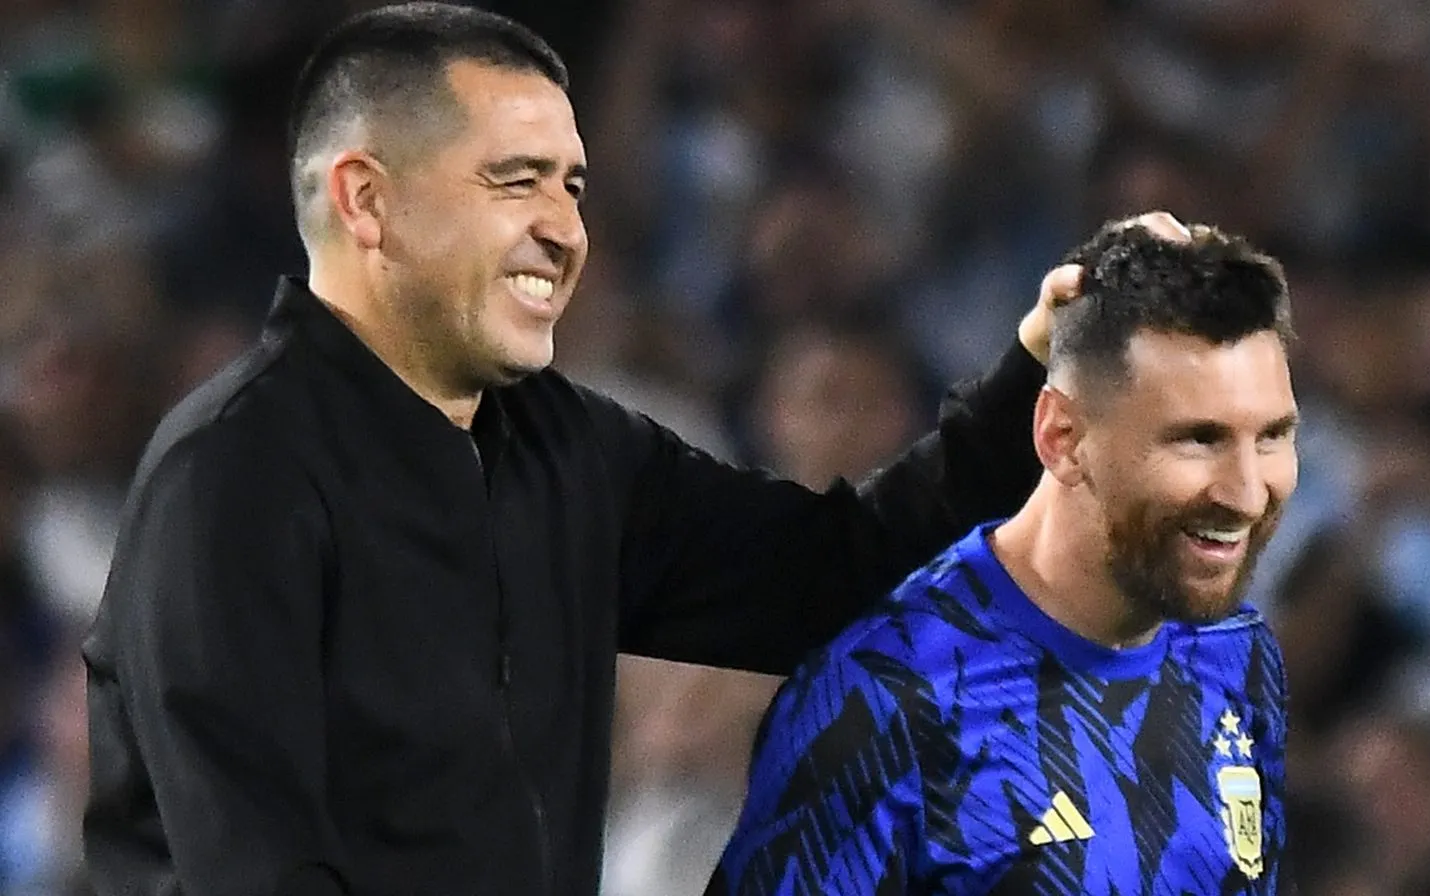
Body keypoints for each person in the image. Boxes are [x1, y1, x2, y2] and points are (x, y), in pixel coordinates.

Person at [76, 2, 1190, 894]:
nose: (562, 228)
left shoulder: (568, 451)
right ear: (367, 202)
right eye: (513, 181)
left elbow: (838, 568)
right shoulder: (231, 477)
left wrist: (1040, 363)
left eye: (570, 184)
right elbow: (247, 858)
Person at [708, 222, 1298, 894]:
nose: (1247, 493)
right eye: (1198, 440)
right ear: (1062, 436)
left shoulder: (1236, 652)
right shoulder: (882, 702)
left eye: (1273, 436)